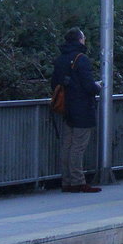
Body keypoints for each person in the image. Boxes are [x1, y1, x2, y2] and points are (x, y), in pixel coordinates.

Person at [50, 28, 102, 193]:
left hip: (66, 108)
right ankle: (78, 181)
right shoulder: (82, 59)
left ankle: (66, 181)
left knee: (67, 145)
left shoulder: (60, 60)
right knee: (78, 147)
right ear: (80, 40)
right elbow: (88, 86)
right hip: (82, 108)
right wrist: (98, 86)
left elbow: (54, 85)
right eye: (84, 37)